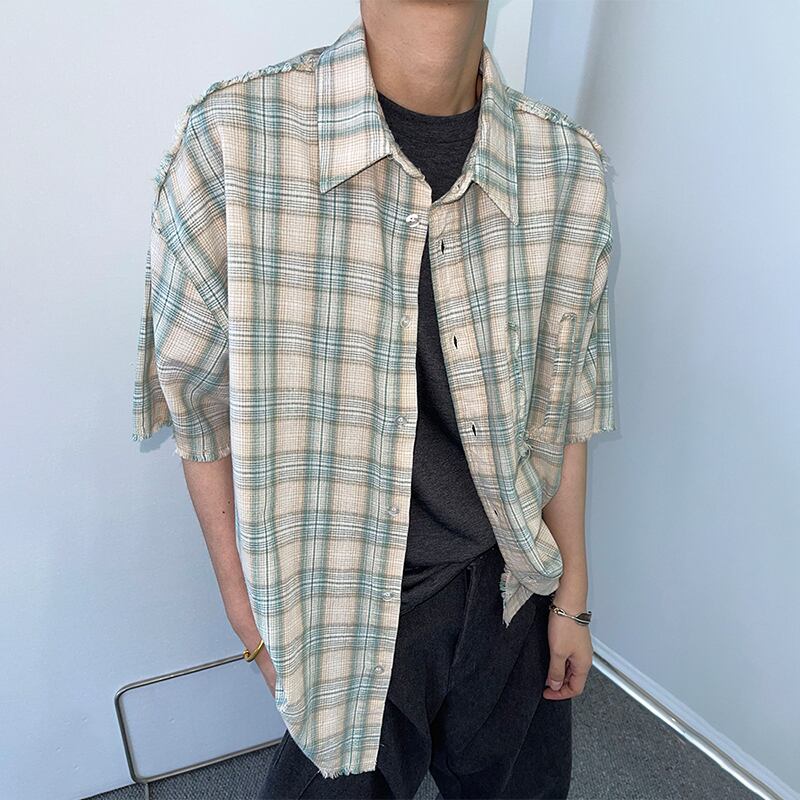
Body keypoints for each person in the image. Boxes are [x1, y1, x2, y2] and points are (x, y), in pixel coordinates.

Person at [131, 1, 616, 797]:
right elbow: (195, 407)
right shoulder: (235, 143)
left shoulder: (566, 168)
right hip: (342, 615)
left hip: (509, 596)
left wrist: (573, 601)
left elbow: (563, 406)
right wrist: (247, 615)